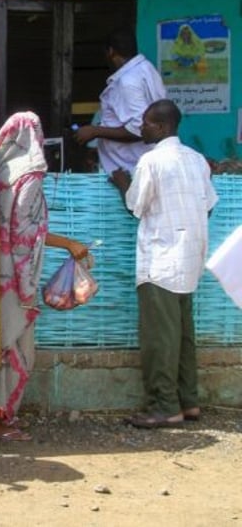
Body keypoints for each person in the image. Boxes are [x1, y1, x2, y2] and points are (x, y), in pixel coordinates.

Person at [110, 99, 217, 429]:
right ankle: (189, 402)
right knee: (183, 337)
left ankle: (163, 406)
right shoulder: (197, 160)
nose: (140, 128)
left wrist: (120, 182)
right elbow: (209, 205)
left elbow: (135, 207)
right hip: (190, 258)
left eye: (145, 123)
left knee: (160, 340)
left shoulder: (151, 161)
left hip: (161, 260)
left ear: (160, 126)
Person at [0, 112, 89, 441]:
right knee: (16, 346)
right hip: (16, 275)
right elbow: (24, 234)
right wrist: (68, 244)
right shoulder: (29, 176)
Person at [74, 29, 166, 176]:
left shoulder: (127, 82)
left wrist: (95, 131)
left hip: (131, 169)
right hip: (145, 164)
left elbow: (139, 128)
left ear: (110, 51)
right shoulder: (147, 70)